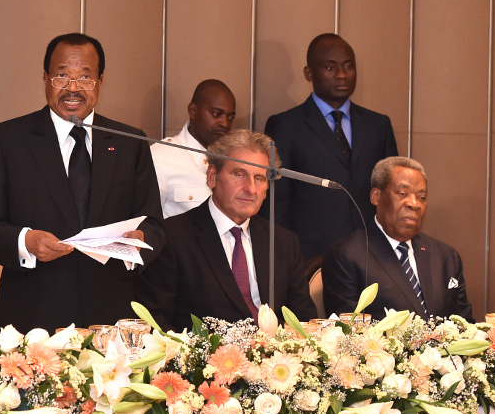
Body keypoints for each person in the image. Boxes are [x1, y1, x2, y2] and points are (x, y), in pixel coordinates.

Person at [0, 33, 165, 334]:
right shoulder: (8, 140)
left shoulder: (129, 142)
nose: (73, 88)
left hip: (110, 318)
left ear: (100, 80)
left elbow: (155, 226)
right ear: (45, 78)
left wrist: (136, 242)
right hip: (34, 317)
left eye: (85, 77)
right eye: (62, 75)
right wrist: (26, 242)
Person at [135, 129, 317, 331]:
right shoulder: (172, 237)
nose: (250, 188)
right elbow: (154, 322)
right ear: (212, 176)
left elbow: (304, 320)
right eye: (239, 175)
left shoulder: (283, 241)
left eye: (259, 178)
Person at [263, 33, 398, 261]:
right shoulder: (285, 125)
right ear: (309, 73)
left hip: (370, 252)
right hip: (308, 255)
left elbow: (391, 192)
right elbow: (277, 202)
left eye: (348, 66)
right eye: (330, 68)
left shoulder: (378, 125)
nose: (342, 75)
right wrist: (283, 257)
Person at [322, 156, 473, 321]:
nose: (414, 204)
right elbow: (349, 333)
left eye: (421, 197)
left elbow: (465, 325)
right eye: (403, 193)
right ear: (376, 196)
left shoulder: (446, 257)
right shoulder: (347, 256)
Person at [151, 79, 236, 218]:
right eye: (217, 114)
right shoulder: (161, 158)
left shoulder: (232, 161)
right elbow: (146, 223)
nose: (225, 123)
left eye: (230, 117)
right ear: (193, 110)